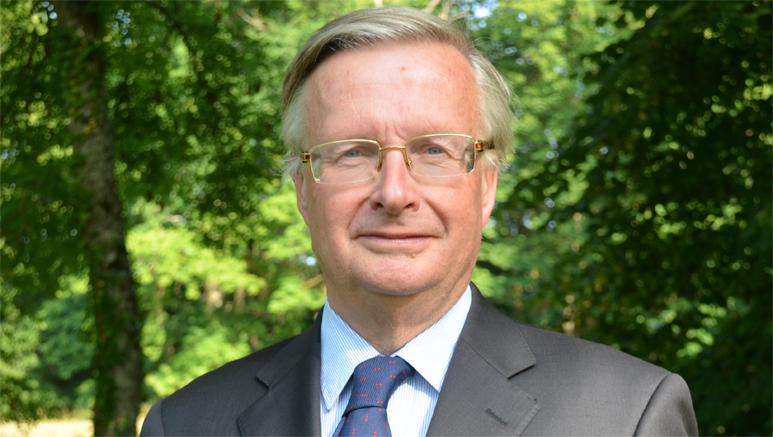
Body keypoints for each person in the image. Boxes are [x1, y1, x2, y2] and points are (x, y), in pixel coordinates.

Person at [140, 7, 698, 437]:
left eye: (434, 150)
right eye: (352, 152)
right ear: (303, 188)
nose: (394, 192)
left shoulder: (628, 414)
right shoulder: (185, 423)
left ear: (487, 184)